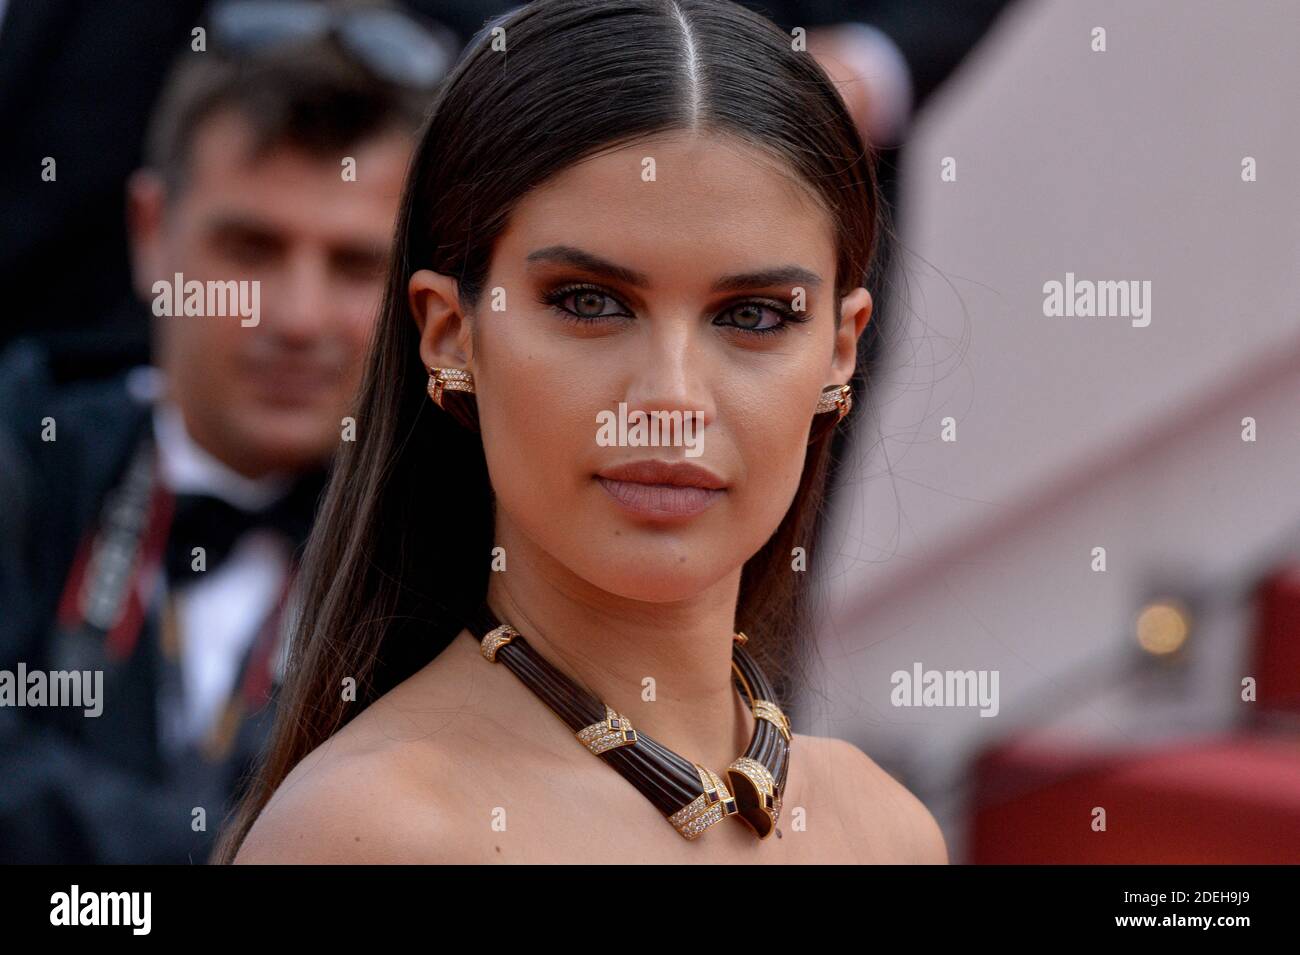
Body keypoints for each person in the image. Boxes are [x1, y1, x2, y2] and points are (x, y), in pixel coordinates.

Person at [220, 0, 948, 863]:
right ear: (450, 332)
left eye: (751, 315)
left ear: (840, 350)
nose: (670, 400)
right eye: (590, 303)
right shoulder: (371, 831)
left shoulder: (884, 828)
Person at [0, 4, 436, 863]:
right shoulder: (22, 450)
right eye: (250, 247)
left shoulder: (453, 540)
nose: (297, 318)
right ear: (150, 232)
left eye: (354, 264)